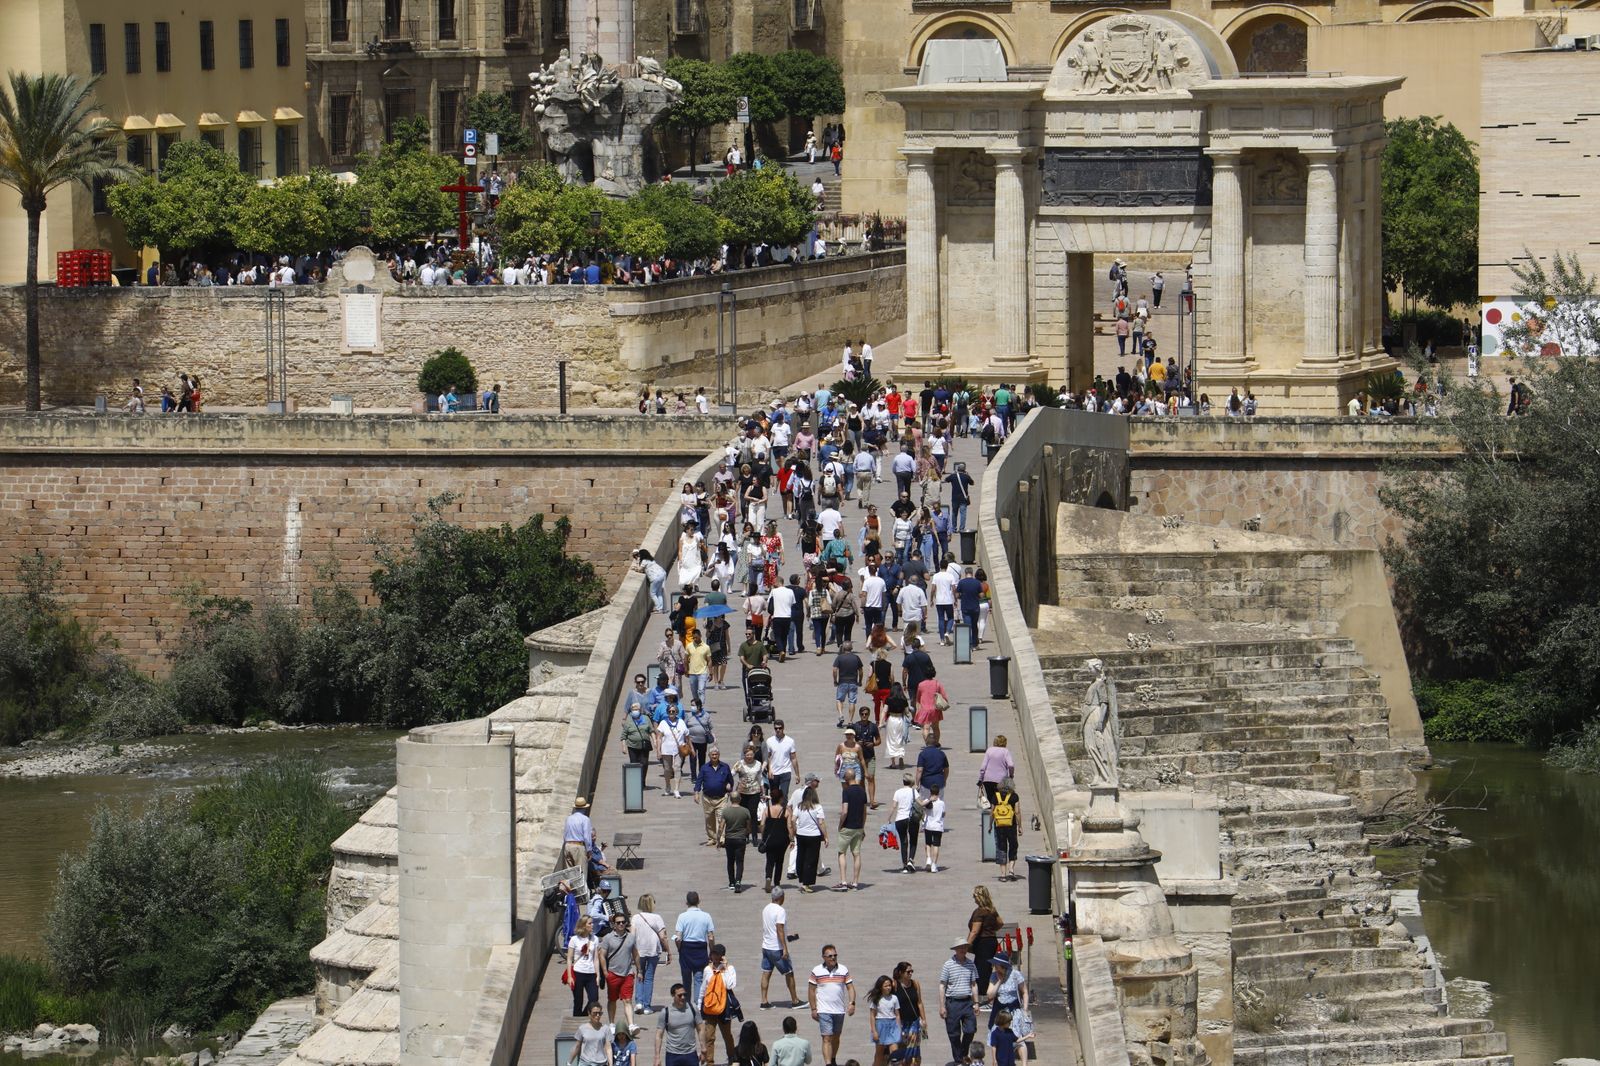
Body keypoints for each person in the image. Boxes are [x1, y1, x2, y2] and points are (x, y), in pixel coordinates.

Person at [808, 945, 855, 1065]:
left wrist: (852, 1003)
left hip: (839, 1010)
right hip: (824, 1010)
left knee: (836, 1037)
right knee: (826, 1038)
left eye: (835, 955)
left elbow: (850, 988)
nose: (833, 958)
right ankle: (828, 1063)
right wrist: (813, 1008)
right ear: (824, 957)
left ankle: (833, 1058)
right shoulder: (817, 970)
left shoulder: (843, 969)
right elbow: (811, 990)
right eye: (830, 956)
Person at [938, 940, 979, 1066]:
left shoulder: (971, 964)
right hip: (953, 1003)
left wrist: (976, 1002)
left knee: (970, 1030)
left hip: (967, 1002)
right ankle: (959, 1060)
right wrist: (942, 1006)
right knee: (954, 1034)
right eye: (960, 947)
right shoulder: (948, 965)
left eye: (965, 947)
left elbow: (973, 984)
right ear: (955, 949)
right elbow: (942, 985)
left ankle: (962, 1053)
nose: (963, 949)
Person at [673, 892, 716, 1011]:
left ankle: (686, 1005)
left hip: (686, 949)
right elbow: (711, 937)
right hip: (700, 949)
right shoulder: (706, 916)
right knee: (699, 978)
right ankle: (698, 1004)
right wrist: (712, 951)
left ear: (686, 902)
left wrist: (679, 948)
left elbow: (678, 937)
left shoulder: (682, 916)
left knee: (686, 979)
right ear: (699, 901)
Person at [760, 887, 801, 1008]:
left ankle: (764, 1001)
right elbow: (779, 929)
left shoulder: (766, 909)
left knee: (766, 973)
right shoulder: (780, 910)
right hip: (776, 948)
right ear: (781, 897)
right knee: (789, 972)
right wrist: (785, 948)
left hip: (766, 947)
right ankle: (795, 1001)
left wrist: (790, 936)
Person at [699, 944, 739, 1064]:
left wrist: (724, 968)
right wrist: (699, 1003)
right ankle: (710, 1062)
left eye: (718, 954)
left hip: (724, 1007)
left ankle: (732, 1058)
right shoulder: (707, 969)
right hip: (710, 1007)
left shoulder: (730, 969)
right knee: (709, 1036)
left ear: (723, 956)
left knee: (727, 1036)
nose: (715, 957)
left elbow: (729, 985)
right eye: (713, 954)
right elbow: (704, 988)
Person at [631, 894, 669, 1015]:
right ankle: (647, 1006)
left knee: (639, 975)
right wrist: (668, 951)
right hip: (653, 950)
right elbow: (663, 936)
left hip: (639, 950)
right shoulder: (657, 918)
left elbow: (632, 936)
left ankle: (638, 1002)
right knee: (649, 978)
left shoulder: (635, 917)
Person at [602, 912, 640, 1025]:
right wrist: (605, 972)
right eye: (618, 922)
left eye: (623, 922)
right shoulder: (608, 938)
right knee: (612, 1000)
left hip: (628, 973)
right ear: (614, 924)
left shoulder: (631, 938)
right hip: (613, 973)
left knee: (628, 1000)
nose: (621, 924)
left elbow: (635, 954)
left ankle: (631, 1025)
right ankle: (612, 1023)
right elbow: (602, 955)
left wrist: (639, 970)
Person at [834, 768, 868, 890]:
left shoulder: (846, 791)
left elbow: (844, 811)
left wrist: (840, 824)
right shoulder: (863, 791)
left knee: (842, 853)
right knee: (856, 854)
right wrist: (863, 827)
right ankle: (855, 883)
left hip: (847, 827)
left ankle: (843, 882)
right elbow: (864, 812)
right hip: (858, 827)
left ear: (847, 779)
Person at [966, 887, 1002, 1000]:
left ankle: (983, 995)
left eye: (974, 896)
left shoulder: (979, 912)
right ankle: (985, 992)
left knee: (981, 969)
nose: (973, 898)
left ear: (979, 897)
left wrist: (966, 945)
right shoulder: (991, 909)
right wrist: (991, 929)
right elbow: (1000, 923)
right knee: (986, 968)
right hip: (992, 941)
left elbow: (975, 931)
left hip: (983, 943)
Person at [791, 784, 829, 893]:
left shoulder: (799, 806)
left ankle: (802, 877)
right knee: (811, 860)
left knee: (801, 857)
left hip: (801, 835)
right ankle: (806, 883)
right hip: (814, 836)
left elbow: (793, 820)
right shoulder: (818, 807)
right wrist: (826, 836)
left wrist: (795, 830)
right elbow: (821, 823)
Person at [695, 747, 733, 847]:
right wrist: (696, 793)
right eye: (713, 755)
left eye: (716, 754)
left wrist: (729, 786)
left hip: (721, 798)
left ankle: (721, 838)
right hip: (708, 798)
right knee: (709, 819)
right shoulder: (704, 768)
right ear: (709, 756)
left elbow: (730, 780)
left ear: (719, 755)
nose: (714, 756)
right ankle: (712, 838)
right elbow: (699, 781)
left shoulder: (725, 767)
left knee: (721, 818)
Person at [759, 781, 792, 894]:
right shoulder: (786, 811)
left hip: (770, 839)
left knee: (770, 860)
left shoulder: (767, 810)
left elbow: (762, 824)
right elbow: (789, 826)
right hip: (782, 840)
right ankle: (777, 882)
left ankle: (768, 877)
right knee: (780, 861)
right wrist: (792, 838)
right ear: (781, 798)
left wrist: (763, 836)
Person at [655, 984, 699, 1066]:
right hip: (672, 1055)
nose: (683, 997)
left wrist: (703, 1048)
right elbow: (659, 1035)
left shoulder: (693, 1008)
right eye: (679, 995)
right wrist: (657, 1057)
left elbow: (701, 1028)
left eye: (684, 995)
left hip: (691, 1053)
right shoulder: (665, 1012)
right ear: (673, 995)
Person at [720, 784, 753, 891]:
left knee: (730, 861)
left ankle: (731, 882)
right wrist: (746, 834)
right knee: (740, 861)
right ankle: (738, 881)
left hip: (729, 839)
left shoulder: (726, 811)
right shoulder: (745, 811)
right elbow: (748, 826)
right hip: (740, 838)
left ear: (730, 799)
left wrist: (718, 839)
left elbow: (721, 826)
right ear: (740, 799)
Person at [569, 916, 603, 1017]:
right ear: (583, 925)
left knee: (594, 999)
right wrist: (570, 976)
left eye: (592, 923)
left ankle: (583, 1016)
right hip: (578, 972)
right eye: (589, 923)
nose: (592, 925)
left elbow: (596, 958)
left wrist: (598, 975)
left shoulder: (594, 939)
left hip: (591, 973)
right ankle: (576, 1020)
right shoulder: (574, 939)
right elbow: (569, 959)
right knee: (578, 1000)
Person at [990, 778, 1022, 882]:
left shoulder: (996, 796)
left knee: (1001, 847)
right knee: (1013, 846)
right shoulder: (1014, 796)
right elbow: (1017, 812)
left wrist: (990, 825)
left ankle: (1003, 875)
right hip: (1011, 825)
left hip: (999, 826)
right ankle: (1011, 870)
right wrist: (1020, 826)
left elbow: (992, 812)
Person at [868, 975, 901, 1066]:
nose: (888, 988)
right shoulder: (876, 999)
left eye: (889, 985)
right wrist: (874, 1031)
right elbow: (872, 1015)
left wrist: (898, 1028)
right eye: (886, 986)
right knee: (879, 1054)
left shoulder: (894, 998)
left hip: (893, 1025)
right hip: (880, 1025)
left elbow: (897, 1014)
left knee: (895, 1053)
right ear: (881, 987)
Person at [657, 705, 689, 799]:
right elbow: (659, 738)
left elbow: (687, 735)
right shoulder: (663, 723)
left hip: (678, 750)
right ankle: (668, 786)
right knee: (667, 769)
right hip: (666, 749)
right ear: (667, 712)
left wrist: (690, 747)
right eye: (670, 711)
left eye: (673, 711)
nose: (671, 713)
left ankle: (676, 790)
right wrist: (658, 751)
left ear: (676, 712)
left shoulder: (681, 722)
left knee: (677, 768)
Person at [890, 773, 920, 873]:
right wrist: (929, 801)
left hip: (900, 819)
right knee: (913, 839)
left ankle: (904, 865)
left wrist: (889, 817)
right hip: (911, 818)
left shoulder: (897, 792)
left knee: (903, 841)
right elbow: (920, 803)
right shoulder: (913, 791)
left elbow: (894, 806)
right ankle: (911, 860)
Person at [764, 719, 799, 801]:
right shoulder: (769, 741)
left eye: (780, 728)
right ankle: (774, 813)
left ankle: (783, 813)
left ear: (783, 728)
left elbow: (793, 758)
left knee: (784, 795)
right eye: (776, 728)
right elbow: (768, 757)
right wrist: (769, 770)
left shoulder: (790, 741)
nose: (778, 730)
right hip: (773, 772)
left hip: (785, 772)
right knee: (774, 795)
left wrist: (797, 774)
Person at [914, 667, 948, 748]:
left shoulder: (921, 685)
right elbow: (944, 696)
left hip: (925, 709)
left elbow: (918, 698)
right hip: (935, 709)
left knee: (926, 728)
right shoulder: (937, 684)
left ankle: (928, 744)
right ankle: (936, 743)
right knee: (936, 727)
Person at [977, 738, 1015, 808]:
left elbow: (983, 767)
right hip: (1001, 781)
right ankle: (1000, 816)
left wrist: (980, 779)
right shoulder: (1005, 751)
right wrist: (1011, 775)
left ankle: (991, 816)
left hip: (988, 780)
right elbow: (1011, 765)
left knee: (991, 801)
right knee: (1001, 801)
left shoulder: (989, 750)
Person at [565, 797, 596, 872]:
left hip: (568, 845)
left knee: (571, 873)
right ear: (584, 808)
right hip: (578, 846)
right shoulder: (585, 819)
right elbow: (586, 837)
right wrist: (589, 850)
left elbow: (565, 834)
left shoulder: (569, 818)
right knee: (581, 873)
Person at [921, 785, 946, 873]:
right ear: (938, 792)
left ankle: (928, 858)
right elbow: (943, 814)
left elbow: (921, 805)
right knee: (936, 845)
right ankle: (934, 865)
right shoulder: (941, 803)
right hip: (938, 826)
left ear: (930, 792)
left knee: (928, 843)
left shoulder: (927, 801)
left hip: (928, 825)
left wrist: (929, 800)